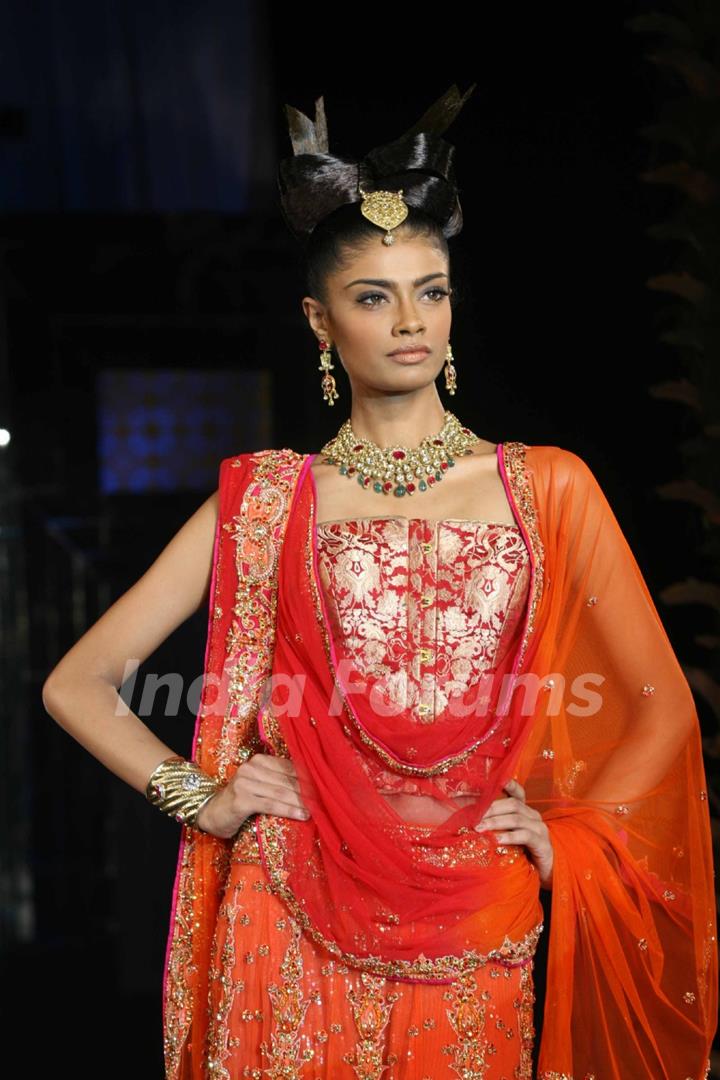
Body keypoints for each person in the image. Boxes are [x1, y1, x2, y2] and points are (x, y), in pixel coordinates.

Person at [42, 84, 717, 1080]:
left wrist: (565, 834)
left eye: (432, 290)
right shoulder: (270, 500)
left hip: (477, 913)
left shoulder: (547, 487)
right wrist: (205, 797)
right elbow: (76, 682)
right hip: (286, 903)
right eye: (374, 296)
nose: (411, 321)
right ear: (321, 322)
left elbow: (660, 708)